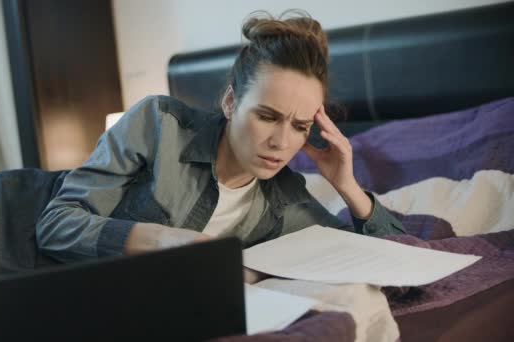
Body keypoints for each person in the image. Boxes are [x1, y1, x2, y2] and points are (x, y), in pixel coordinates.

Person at [36, 9, 407, 283]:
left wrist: (349, 188)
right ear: (231, 103)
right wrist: (170, 241)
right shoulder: (158, 124)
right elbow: (55, 224)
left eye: (299, 126)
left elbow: (396, 266)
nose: (281, 142)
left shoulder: (287, 203)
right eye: (266, 116)